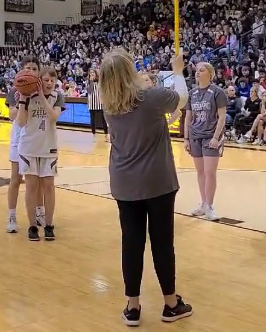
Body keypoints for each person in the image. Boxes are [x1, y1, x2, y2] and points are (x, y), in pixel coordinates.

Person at [100, 49, 193, 327]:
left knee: (131, 243)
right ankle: (170, 303)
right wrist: (176, 71)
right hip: (157, 181)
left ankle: (133, 306)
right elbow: (182, 97)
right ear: (130, 72)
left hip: (124, 182)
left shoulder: (109, 105)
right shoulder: (151, 98)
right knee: (163, 243)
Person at [16, 68, 66, 241]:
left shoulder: (57, 96)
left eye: (52, 80)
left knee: (49, 186)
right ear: (39, 81)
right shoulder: (25, 95)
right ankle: (32, 226)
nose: (49, 83)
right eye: (46, 80)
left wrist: (42, 97)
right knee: (31, 187)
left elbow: (53, 117)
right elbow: (21, 122)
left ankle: (49, 225)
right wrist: (23, 100)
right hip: (28, 147)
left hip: (48, 147)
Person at [5, 57, 45, 233]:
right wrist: (22, 101)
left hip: (37, 136)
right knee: (16, 178)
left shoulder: (44, 89)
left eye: (34, 68)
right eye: (27, 68)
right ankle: (12, 215)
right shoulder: (15, 88)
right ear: (21, 70)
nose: (31, 71)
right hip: (19, 137)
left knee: (37, 181)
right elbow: (11, 115)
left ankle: (39, 212)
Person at [185, 62, 227, 221]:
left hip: (211, 136)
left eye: (201, 70)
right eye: (196, 71)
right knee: (200, 172)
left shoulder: (217, 92)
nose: (197, 73)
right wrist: (186, 138)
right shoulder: (192, 93)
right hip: (195, 135)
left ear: (210, 74)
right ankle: (203, 203)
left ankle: (210, 205)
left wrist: (216, 137)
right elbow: (188, 117)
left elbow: (222, 117)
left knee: (210, 172)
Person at [87, 69, 109, 142]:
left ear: (96, 74)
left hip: (100, 102)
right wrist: (90, 81)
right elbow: (89, 91)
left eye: (93, 72)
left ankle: (106, 135)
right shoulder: (88, 82)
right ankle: (93, 135)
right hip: (92, 102)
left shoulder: (100, 82)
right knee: (93, 119)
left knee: (103, 119)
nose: (92, 74)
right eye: (90, 73)